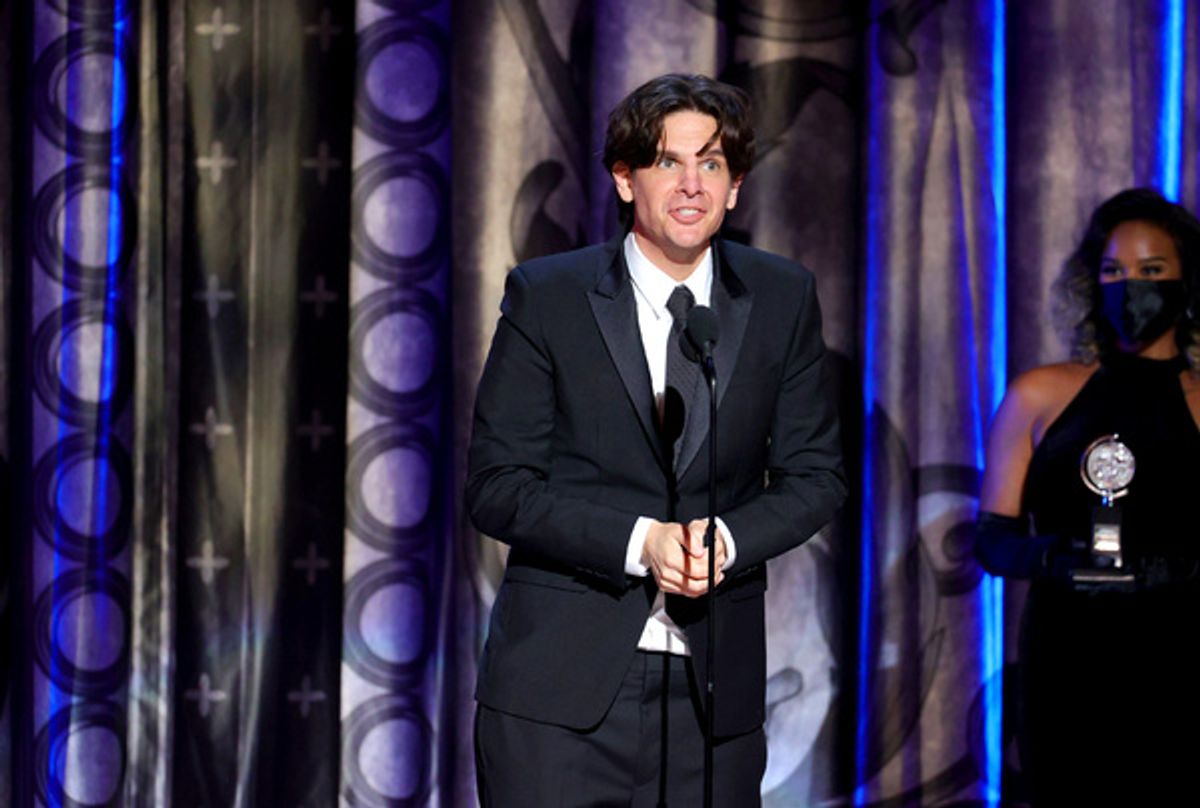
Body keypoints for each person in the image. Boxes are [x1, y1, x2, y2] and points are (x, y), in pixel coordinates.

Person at [466, 73, 845, 806]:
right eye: (668, 162)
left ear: (735, 186)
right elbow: (497, 486)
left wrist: (725, 542)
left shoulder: (781, 296)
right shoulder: (548, 296)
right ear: (623, 178)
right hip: (558, 698)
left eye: (712, 163)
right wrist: (643, 541)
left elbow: (816, 476)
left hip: (712, 700)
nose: (692, 184)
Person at [977, 188, 1200, 804]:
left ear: (1187, 283)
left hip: (1178, 661)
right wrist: (1053, 558)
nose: (1130, 286)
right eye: (1113, 271)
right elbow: (991, 539)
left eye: (1152, 271)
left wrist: (1178, 569)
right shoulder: (1039, 394)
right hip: (1065, 661)